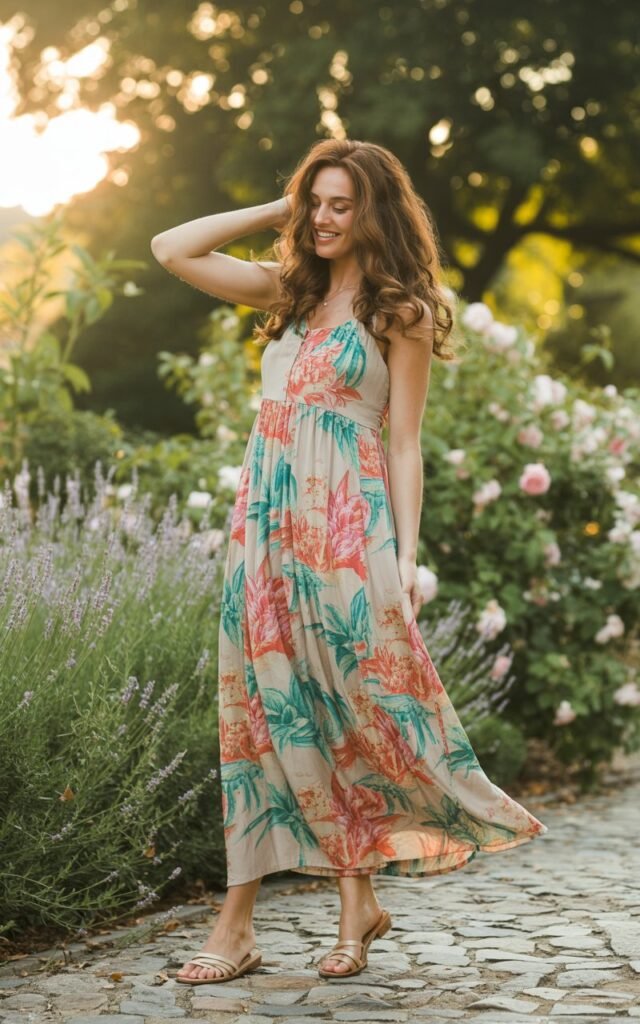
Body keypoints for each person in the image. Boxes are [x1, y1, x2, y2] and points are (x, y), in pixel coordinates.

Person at [150, 138, 548, 986]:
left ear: (374, 213)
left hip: (344, 533)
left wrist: (402, 555)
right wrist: (282, 206)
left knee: (345, 707)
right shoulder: (286, 291)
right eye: (317, 203)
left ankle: (351, 900)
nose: (325, 219)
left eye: (341, 205)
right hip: (265, 533)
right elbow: (171, 248)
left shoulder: (401, 310)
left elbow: (404, 444)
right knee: (258, 714)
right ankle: (245, 924)